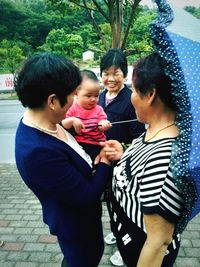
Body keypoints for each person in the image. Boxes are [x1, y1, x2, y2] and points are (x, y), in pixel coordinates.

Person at [14, 52, 122, 267]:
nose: (76, 100)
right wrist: (104, 162)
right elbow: (87, 196)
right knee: (83, 260)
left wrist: (69, 125)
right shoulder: (37, 152)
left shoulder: (48, 122)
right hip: (75, 226)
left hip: (80, 221)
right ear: (52, 101)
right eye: (73, 94)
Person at [106, 52, 184, 267]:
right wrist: (124, 154)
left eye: (133, 88)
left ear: (150, 94)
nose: (130, 95)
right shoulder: (154, 130)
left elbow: (159, 242)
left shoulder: (166, 157)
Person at [99, 48, 145, 266]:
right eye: (106, 73)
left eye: (116, 73)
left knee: (124, 207)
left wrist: (123, 150)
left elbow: (138, 137)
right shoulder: (98, 97)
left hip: (124, 166)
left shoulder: (130, 100)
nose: (111, 78)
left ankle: (124, 245)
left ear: (125, 75)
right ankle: (115, 233)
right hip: (105, 162)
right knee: (110, 201)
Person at [61, 69, 111, 162]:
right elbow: (64, 124)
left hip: (96, 144)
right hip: (79, 143)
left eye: (96, 96)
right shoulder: (73, 108)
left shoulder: (98, 109)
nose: (93, 99)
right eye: (88, 96)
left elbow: (102, 123)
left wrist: (104, 124)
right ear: (76, 94)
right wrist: (72, 120)